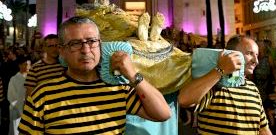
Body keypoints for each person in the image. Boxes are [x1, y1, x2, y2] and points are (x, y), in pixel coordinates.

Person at [18, 16, 171, 134]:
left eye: (91, 41)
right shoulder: (43, 96)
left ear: (100, 44)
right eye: (75, 44)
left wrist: (131, 73)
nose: (85, 50)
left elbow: (163, 113)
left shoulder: (119, 90)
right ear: (62, 51)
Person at [178, 35, 272, 135]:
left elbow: (263, 129)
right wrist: (220, 70)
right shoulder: (214, 84)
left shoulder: (252, 88)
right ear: (230, 54)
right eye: (250, 53)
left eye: (257, 55)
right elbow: (184, 99)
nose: (256, 61)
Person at [7, 56, 31, 135]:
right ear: (20, 65)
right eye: (25, 64)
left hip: (28, 110)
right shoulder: (14, 79)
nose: (27, 66)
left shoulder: (31, 78)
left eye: (29, 64)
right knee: (16, 131)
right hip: (16, 110)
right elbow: (12, 97)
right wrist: (20, 108)